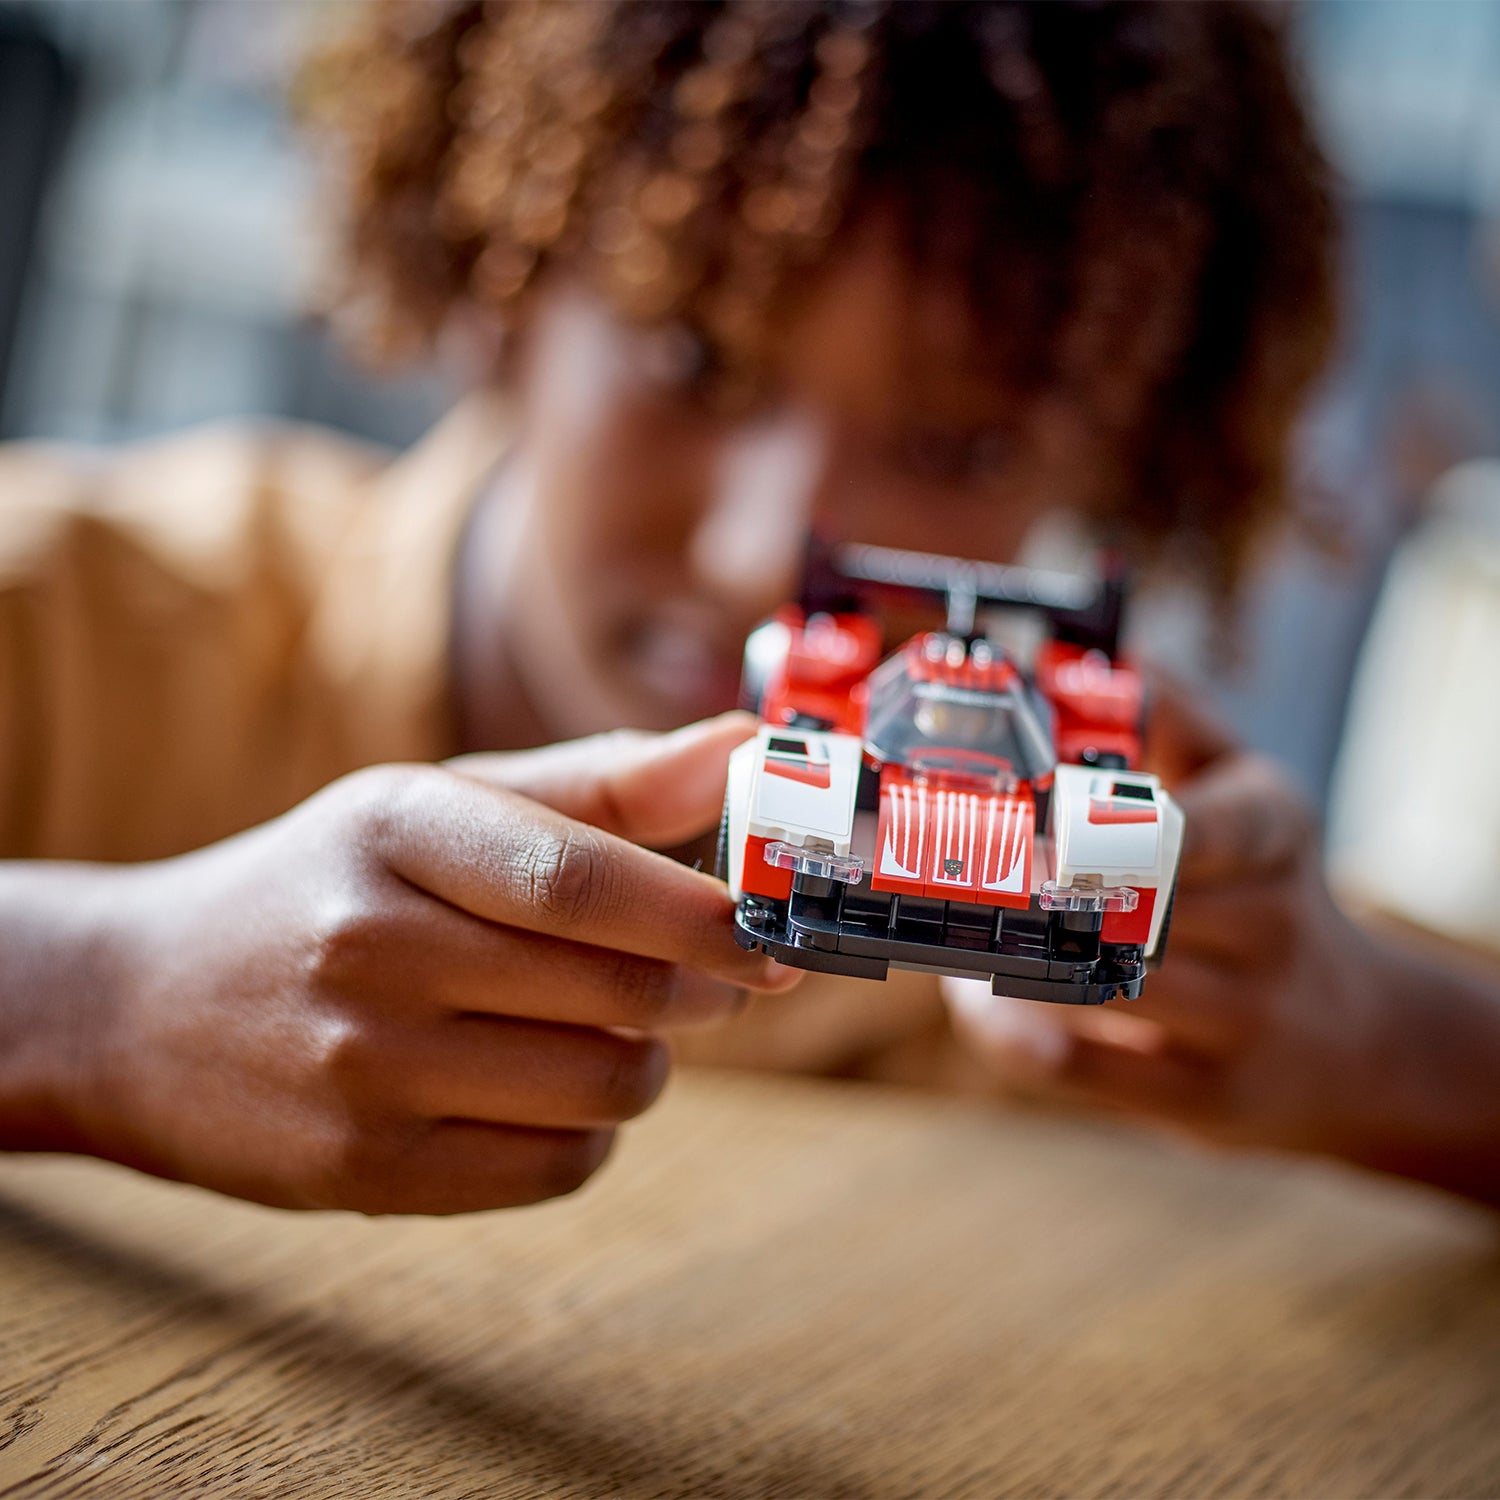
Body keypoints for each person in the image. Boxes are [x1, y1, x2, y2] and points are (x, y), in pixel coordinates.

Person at [0, 0, 1495, 1216]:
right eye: (697, 362)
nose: (761, 550)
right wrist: (95, 998)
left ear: (1116, 458)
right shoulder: (68, 623)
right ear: (507, 276)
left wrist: (1386, 1042)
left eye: (955, 447)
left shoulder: (1136, 928)